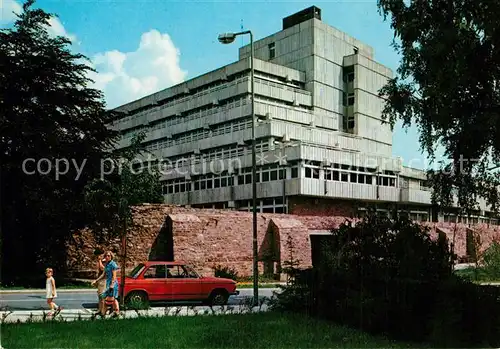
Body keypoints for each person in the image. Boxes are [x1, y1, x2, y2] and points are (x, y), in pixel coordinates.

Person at [92, 251, 120, 318]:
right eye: (106, 256)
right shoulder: (107, 264)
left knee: (113, 299)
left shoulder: (113, 264)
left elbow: (114, 276)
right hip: (108, 284)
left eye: (109, 256)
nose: (107, 257)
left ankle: (116, 312)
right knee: (106, 298)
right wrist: (96, 280)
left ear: (111, 256)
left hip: (113, 284)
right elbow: (103, 274)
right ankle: (105, 313)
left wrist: (112, 285)